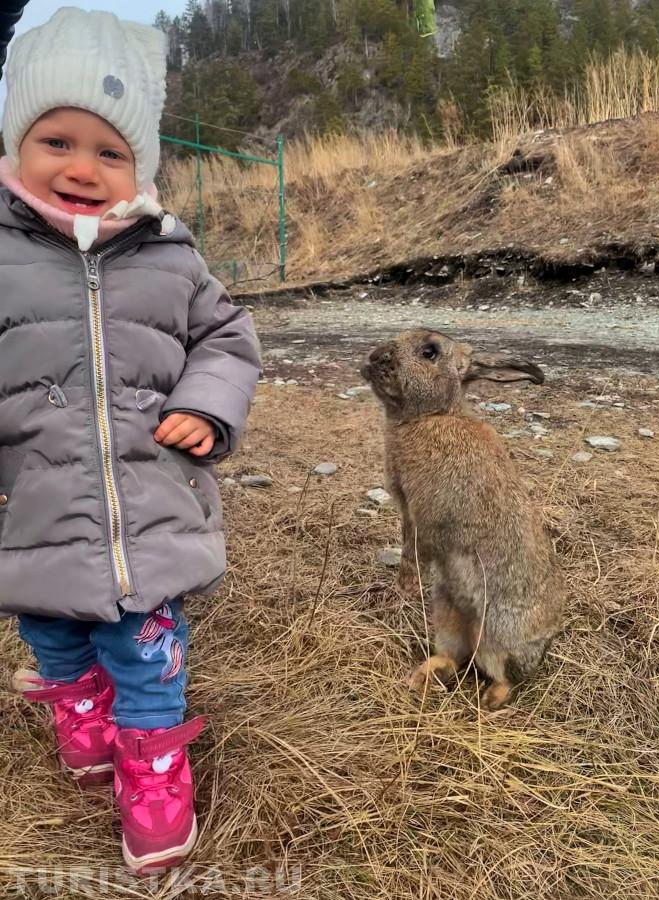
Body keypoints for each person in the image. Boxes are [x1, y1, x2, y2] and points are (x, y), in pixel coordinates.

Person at [0, 7, 261, 876]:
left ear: (139, 166)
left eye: (109, 152)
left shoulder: (170, 256)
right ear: (16, 145)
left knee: (147, 644)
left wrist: (206, 408)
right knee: (50, 623)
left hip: (148, 499)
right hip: (35, 499)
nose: (82, 168)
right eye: (57, 142)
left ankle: (151, 760)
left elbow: (226, 338)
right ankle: (79, 706)